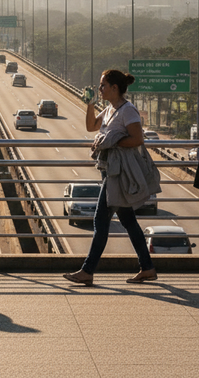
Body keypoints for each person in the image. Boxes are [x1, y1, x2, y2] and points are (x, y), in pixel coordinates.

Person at [63, 70, 159, 286]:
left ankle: (88, 270)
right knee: (128, 221)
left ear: (115, 88)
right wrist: (89, 104)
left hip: (118, 174)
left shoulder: (128, 111)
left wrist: (112, 142)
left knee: (100, 221)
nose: (100, 89)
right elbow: (90, 126)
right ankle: (147, 267)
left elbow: (136, 139)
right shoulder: (109, 110)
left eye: (103, 85)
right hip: (110, 170)